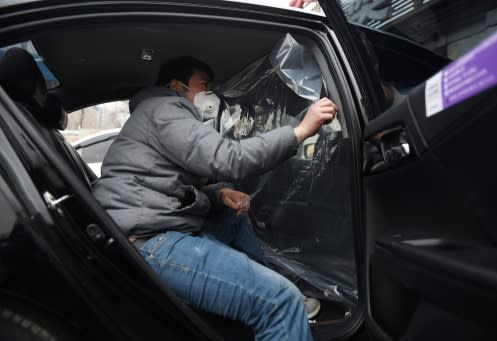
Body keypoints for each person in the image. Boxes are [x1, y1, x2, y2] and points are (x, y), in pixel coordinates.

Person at [93, 56, 337, 341]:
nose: (211, 93)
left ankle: (272, 283)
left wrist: (218, 193)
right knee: (280, 303)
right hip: (149, 240)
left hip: (151, 227)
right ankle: (280, 297)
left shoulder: (160, 113)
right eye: (204, 85)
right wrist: (300, 131)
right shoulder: (165, 108)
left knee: (231, 220)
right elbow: (228, 158)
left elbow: (168, 185)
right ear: (175, 85)